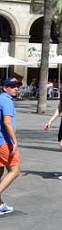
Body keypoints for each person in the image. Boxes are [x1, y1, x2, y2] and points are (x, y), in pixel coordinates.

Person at [0, 78, 21, 214]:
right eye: (12, 86)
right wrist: (14, 141)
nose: (16, 88)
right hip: (4, 141)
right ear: (4, 87)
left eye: (17, 86)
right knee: (15, 171)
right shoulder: (7, 101)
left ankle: (0, 205)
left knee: (0, 172)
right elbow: (7, 122)